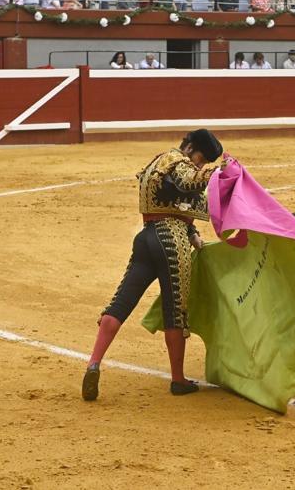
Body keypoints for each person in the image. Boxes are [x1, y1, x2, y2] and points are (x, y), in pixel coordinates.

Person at [82, 130, 224, 401]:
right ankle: (178, 380)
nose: (200, 165)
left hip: (146, 237)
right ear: (190, 148)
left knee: (120, 303)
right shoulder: (180, 162)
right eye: (201, 159)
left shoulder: (158, 162)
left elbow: (173, 201)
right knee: (175, 312)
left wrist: (193, 232)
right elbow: (187, 181)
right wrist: (218, 172)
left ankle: (93, 363)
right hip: (170, 242)